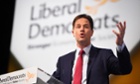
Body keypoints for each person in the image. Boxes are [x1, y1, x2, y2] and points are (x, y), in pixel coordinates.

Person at [52, 14, 132, 84]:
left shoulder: (104, 55)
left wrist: (120, 45)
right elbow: (51, 82)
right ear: (73, 32)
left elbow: (125, 69)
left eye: (86, 26)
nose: (82, 29)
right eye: (78, 27)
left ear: (92, 32)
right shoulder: (63, 61)